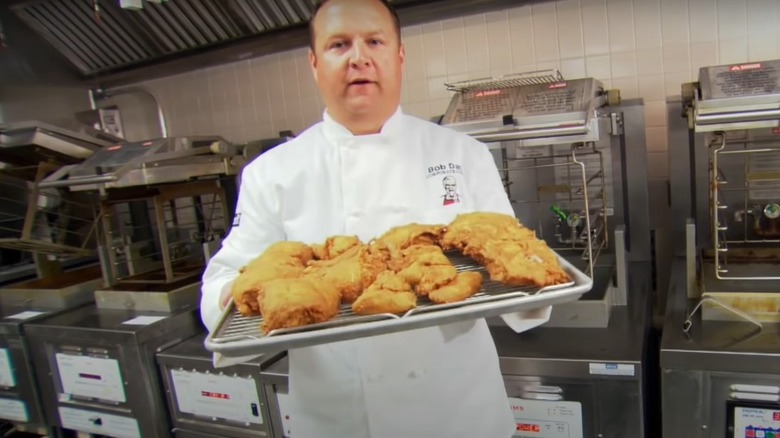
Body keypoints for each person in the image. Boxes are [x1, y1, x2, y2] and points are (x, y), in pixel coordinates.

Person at [201, 0, 517, 436]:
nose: (359, 57)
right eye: (338, 44)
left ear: (399, 56)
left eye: (374, 41)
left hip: (456, 407)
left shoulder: (464, 155)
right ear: (314, 63)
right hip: (339, 414)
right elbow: (223, 283)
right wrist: (235, 297)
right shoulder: (272, 174)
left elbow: (518, 265)